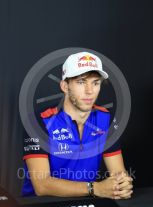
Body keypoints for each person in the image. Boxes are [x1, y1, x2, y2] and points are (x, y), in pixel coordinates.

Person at [22, 51, 133, 199]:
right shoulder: (39, 120)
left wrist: (122, 186)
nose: (90, 91)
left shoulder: (105, 119)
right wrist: (95, 188)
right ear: (65, 86)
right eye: (81, 82)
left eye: (95, 82)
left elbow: (118, 174)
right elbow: (42, 185)